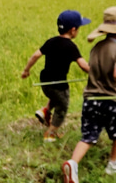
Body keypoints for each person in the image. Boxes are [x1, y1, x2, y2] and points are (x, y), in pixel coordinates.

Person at [62, 6, 116, 183]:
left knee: (88, 136)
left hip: (90, 100)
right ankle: (113, 162)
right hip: (109, 100)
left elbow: (92, 69)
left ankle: (73, 163)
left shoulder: (96, 48)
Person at [21, 10, 91, 141]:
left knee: (56, 98)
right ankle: (50, 133)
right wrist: (96, 73)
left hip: (45, 82)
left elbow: (36, 55)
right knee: (62, 106)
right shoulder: (71, 46)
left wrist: (26, 70)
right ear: (73, 30)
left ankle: (45, 111)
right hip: (59, 84)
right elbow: (83, 65)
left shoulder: (51, 41)